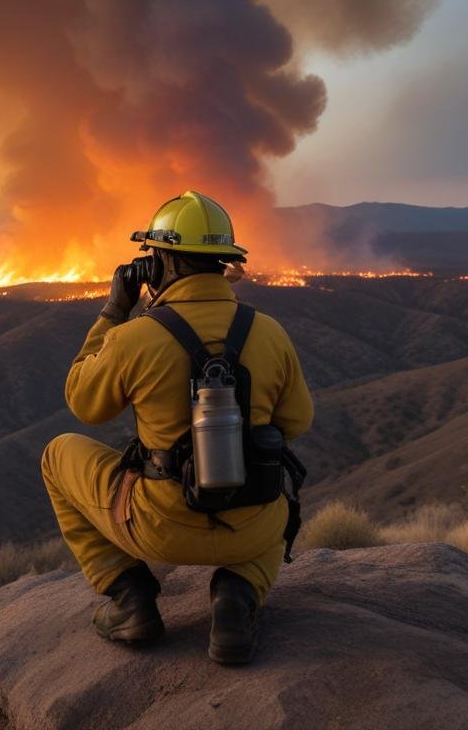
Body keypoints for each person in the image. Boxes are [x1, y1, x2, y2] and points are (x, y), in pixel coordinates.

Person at [41, 190, 313, 664]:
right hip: (251, 527)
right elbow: (297, 421)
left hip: (160, 527)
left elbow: (83, 403)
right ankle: (238, 593)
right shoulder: (269, 332)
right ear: (224, 262)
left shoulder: (132, 338)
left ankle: (129, 597)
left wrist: (113, 311)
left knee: (57, 454)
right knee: (272, 512)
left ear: (161, 261)